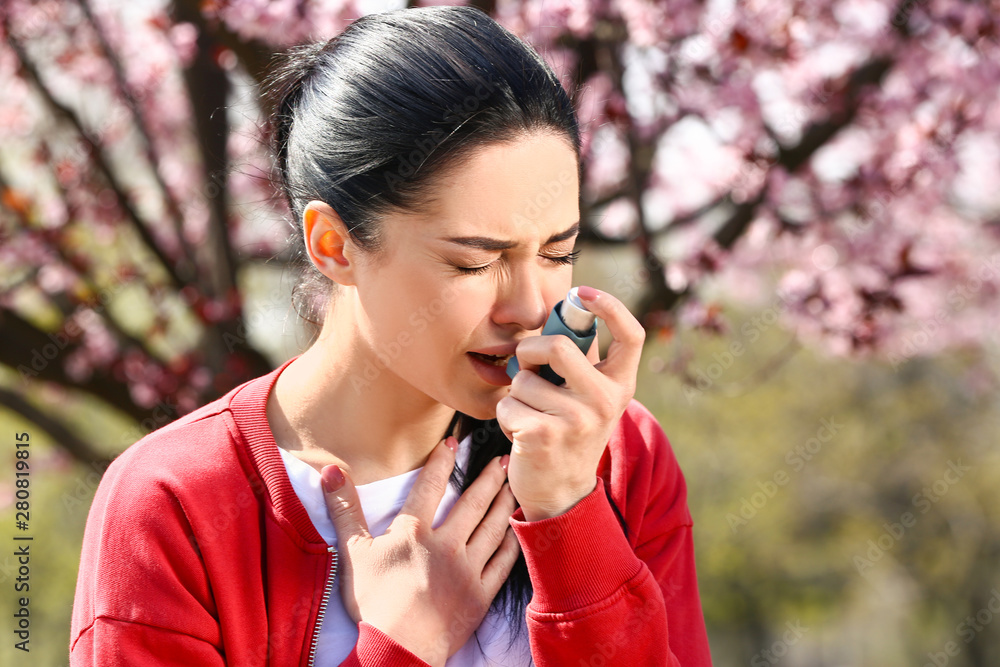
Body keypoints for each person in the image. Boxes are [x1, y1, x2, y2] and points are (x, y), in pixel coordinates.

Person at [69, 6, 712, 666]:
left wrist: (569, 512)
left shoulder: (618, 455)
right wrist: (402, 645)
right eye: (474, 260)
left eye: (557, 252)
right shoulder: (176, 504)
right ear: (334, 245)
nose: (528, 307)